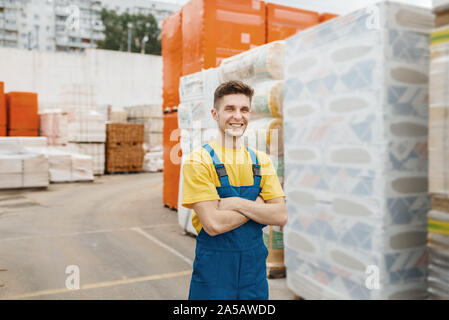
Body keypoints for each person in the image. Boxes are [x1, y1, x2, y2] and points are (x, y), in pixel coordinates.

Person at [181, 80, 287, 300]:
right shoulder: (199, 161)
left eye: (244, 109)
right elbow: (213, 224)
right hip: (214, 275)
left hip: (254, 274)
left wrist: (236, 203)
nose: (238, 116)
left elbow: (280, 215)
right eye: (230, 109)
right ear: (215, 113)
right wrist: (257, 207)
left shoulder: (261, 161)